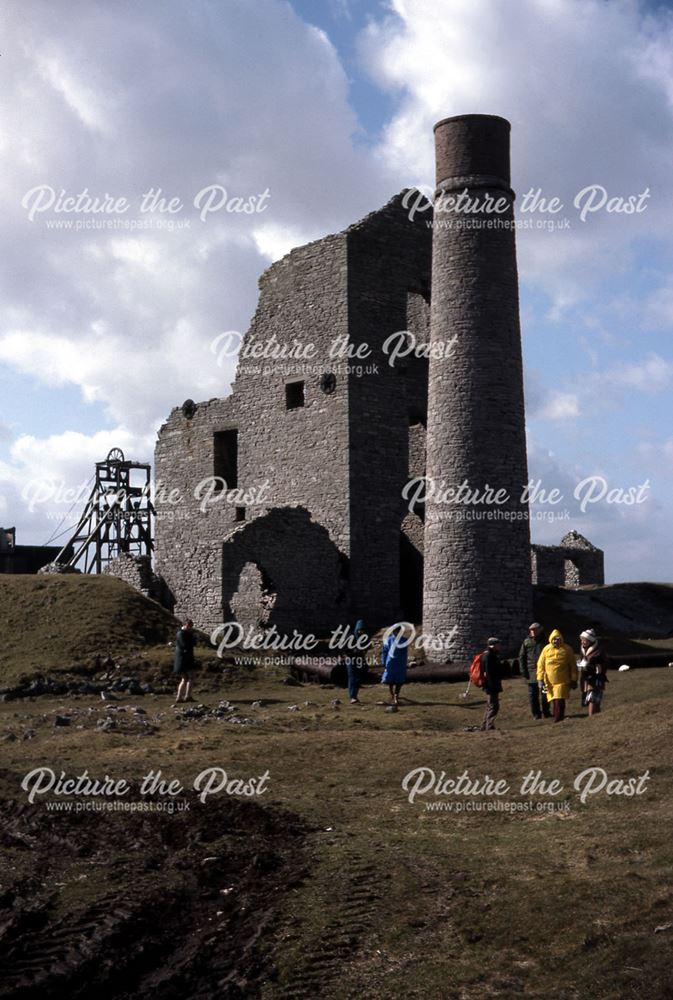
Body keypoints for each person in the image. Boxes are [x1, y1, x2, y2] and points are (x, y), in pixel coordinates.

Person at [536, 628, 577, 723]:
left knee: (559, 699)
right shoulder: (546, 649)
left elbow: (573, 666)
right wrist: (540, 679)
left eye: (558, 639)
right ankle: (556, 716)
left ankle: (558, 718)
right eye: (554, 639)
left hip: (562, 681)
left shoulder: (567, 650)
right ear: (551, 640)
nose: (556, 641)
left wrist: (574, 679)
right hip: (549, 682)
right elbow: (540, 665)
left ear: (561, 639)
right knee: (553, 699)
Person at [518, 622, 550, 719]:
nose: (533, 632)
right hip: (531, 672)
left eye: (535, 630)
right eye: (531, 630)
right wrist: (523, 671)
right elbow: (521, 657)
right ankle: (536, 714)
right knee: (533, 695)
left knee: (545, 694)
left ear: (540, 630)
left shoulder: (546, 641)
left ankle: (546, 712)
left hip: (544, 672)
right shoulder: (526, 642)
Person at [578, 628, 608, 716]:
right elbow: (582, 661)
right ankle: (597, 716)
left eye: (585, 640)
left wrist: (596, 667)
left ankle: (591, 716)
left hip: (596, 678)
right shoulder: (583, 650)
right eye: (582, 640)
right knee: (593, 698)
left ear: (590, 641)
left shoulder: (598, 651)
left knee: (593, 698)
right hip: (586, 678)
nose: (583, 642)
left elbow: (604, 663)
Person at [479, 637, 503, 731]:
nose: (499, 646)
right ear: (493, 646)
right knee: (494, 706)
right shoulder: (489, 656)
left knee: (490, 706)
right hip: (491, 685)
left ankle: (484, 726)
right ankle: (489, 726)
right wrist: (492, 686)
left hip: (489, 685)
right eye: (498, 645)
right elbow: (489, 673)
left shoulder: (486, 655)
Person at [381, 624, 408, 706]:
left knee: (399, 681)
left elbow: (404, 652)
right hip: (391, 662)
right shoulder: (389, 640)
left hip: (400, 663)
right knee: (390, 680)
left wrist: (405, 662)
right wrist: (384, 661)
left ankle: (396, 695)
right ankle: (392, 694)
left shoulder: (403, 640)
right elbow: (385, 651)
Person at [173, 619, 197, 704]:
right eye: (188, 626)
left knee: (187, 678)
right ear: (184, 625)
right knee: (187, 678)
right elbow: (184, 645)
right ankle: (184, 696)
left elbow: (193, 643)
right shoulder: (181, 634)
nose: (190, 627)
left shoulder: (187, 634)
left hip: (187, 658)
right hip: (183, 659)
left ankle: (184, 696)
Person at [345, 619, 368, 704]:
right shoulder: (350, 636)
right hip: (351, 658)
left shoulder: (364, 637)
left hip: (360, 659)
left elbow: (366, 646)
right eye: (360, 630)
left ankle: (355, 695)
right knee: (352, 677)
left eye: (362, 630)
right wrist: (355, 650)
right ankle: (352, 696)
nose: (361, 632)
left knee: (358, 677)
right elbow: (346, 649)